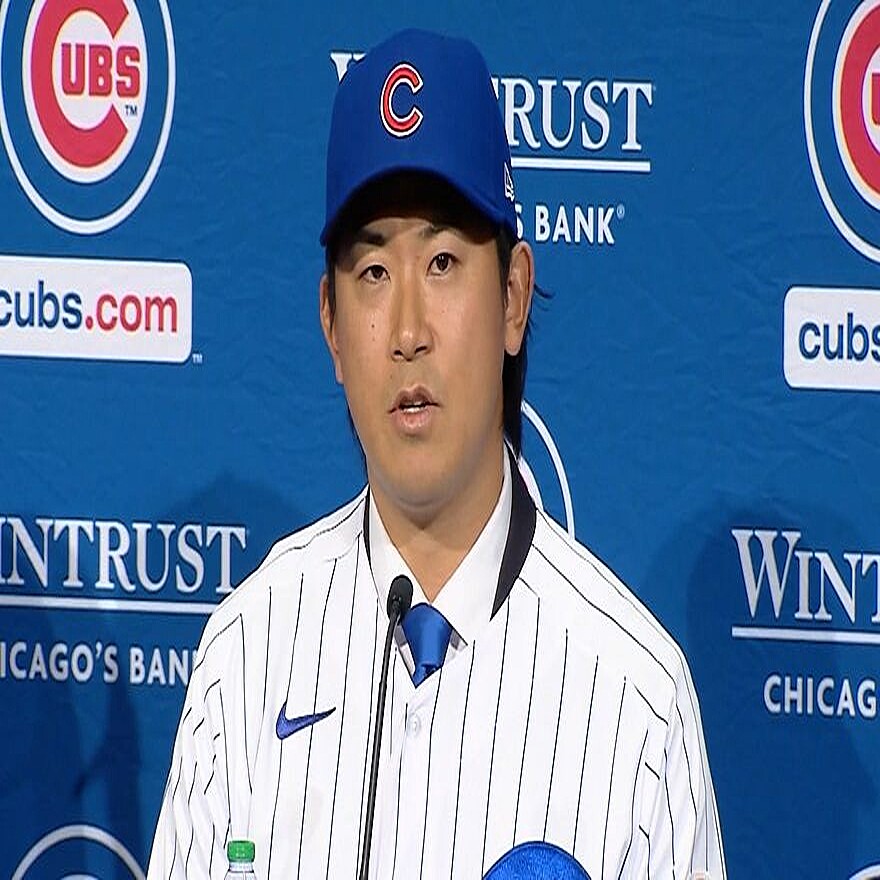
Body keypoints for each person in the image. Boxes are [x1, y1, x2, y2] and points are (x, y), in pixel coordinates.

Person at [147, 28, 725, 880]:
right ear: (331, 324)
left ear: (514, 297)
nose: (409, 330)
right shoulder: (247, 653)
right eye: (374, 273)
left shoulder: (636, 699)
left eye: (444, 261)